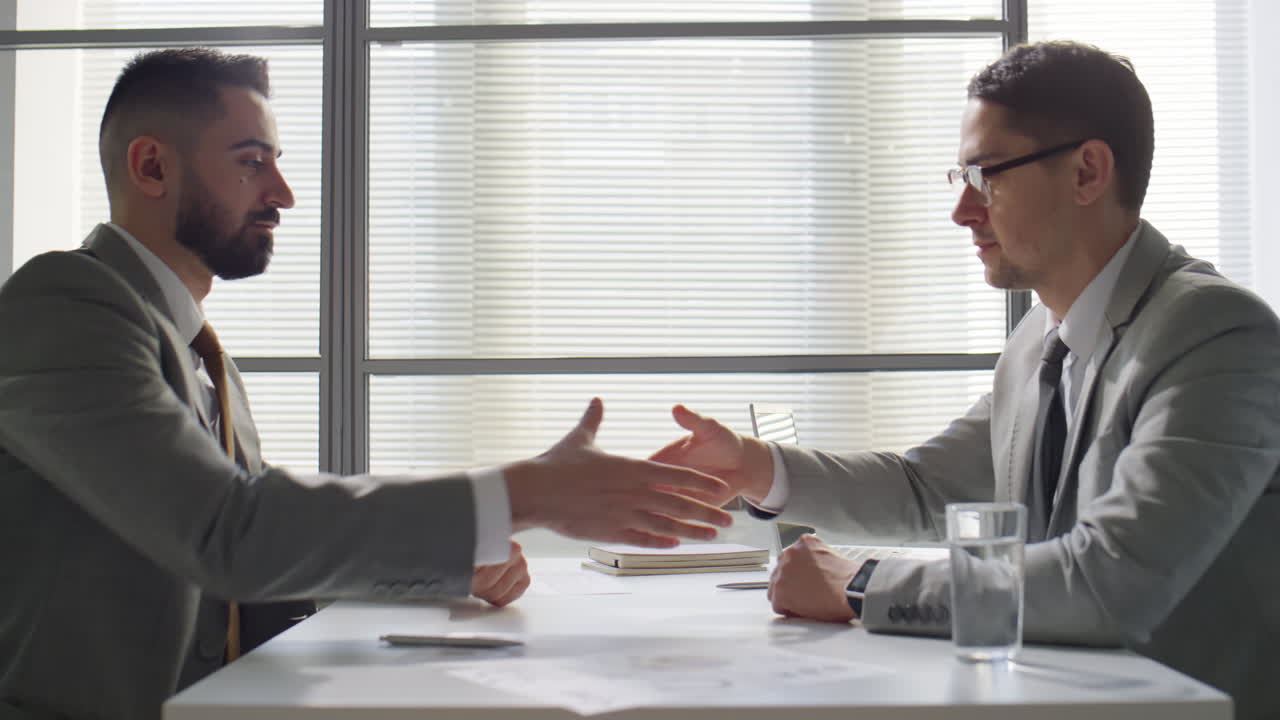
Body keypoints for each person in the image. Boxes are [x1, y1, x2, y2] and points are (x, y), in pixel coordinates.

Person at [0, 48, 734, 720]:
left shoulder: (187, 338)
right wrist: (525, 495)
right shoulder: (63, 306)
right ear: (152, 167)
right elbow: (227, 531)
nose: (283, 193)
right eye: (252, 161)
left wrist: (448, 564)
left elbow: (254, 550)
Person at [651, 41, 1280, 719]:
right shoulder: (1040, 339)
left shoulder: (1215, 335)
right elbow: (929, 488)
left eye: (987, 176)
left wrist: (862, 584)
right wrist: (758, 468)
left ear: (1087, 172)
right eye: (961, 180)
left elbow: (1111, 583)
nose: (963, 212)